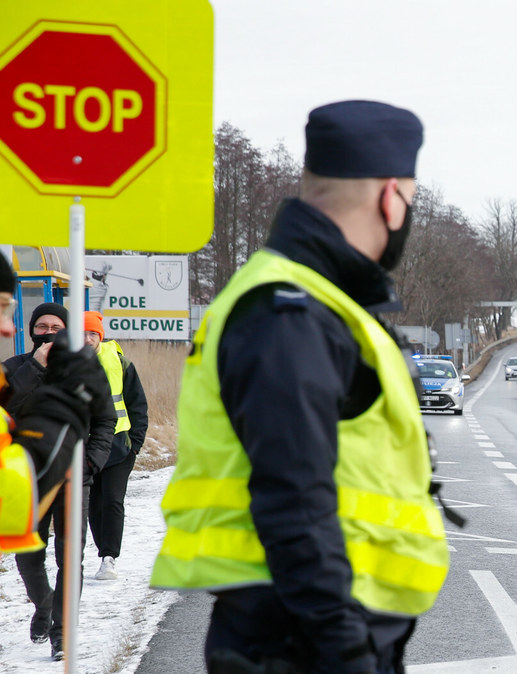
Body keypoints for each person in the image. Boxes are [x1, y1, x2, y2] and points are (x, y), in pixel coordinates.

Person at [151, 100, 450, 674]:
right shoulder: (292, 312)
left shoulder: (311, 301)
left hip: (305, 634)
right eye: (409, 202)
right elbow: (294, 502)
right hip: (303, 645)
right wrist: (346, 652)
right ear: (391, 199)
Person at [0, 264, 114, 662]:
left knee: (71, 555)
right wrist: (36, 368)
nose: (48, 333)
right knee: (29, 554)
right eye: (41, 327)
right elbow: (9, 409)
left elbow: (105, 420)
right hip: (25, 479)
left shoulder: (84, 369)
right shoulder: (15, 369)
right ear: (32, 330)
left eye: (55, 327)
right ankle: (44, 605)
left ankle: (63, 632)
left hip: (74, 476)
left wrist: (93, 463)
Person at [83, 311, 149, 581]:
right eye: (83, 334)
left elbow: (138, 405)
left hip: (119, 446)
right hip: (85, 448)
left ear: (100, 336)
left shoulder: (121, 364)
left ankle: (109, 557)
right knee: (94, 505)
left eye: (93, 334)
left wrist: (136, 445)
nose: (87, 339)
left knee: (112, 500)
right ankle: (103, 551)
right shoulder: (63, 364)